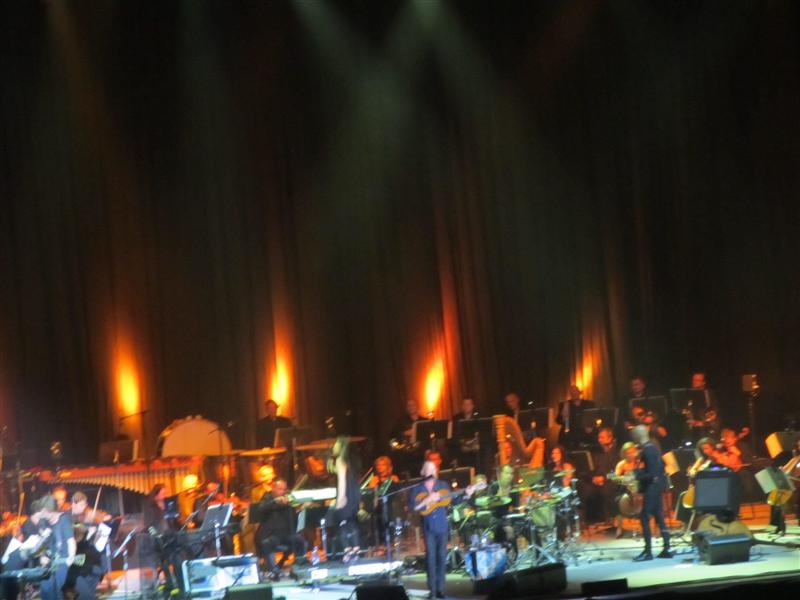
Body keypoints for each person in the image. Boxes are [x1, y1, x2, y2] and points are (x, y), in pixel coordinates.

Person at [630, 426, 672, 561]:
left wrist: (637, 474)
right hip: (657, 486)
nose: (632, 438)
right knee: (659, 516)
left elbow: (652, 475)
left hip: (653, 487)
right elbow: (659, 469)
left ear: (638, 436)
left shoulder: (648, 450)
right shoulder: (652, 448)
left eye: (633, 435)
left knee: (644, 517)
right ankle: (666, 548)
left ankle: (648, 552)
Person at [410, 460, 450, 599]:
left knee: (442, 557)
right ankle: (432, 590)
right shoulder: (417, 489)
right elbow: (413, 507)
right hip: (428, 528)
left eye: (434, 469)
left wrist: (467, 493)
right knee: (431, 558)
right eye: (429, 469)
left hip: (442, 526)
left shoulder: (443, 485)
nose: (433, 472)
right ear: (422, 472)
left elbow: (454, 500)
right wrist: (428, 499)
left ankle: (440, 589)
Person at [255, 478, 306, 579]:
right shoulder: (268, 497)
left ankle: (298, 566)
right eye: (280, 489)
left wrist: (299, 507)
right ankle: (273, 571)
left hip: (286, 534)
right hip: (271, 534)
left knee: (302, 542)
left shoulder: (288, 498)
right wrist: (275, 502)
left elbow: (295, 513)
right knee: (268, 543)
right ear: (273, 488)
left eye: (284, 489)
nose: (282, 491)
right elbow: (261, 508)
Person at [34, 494, 76, 600]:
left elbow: (71, 541)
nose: (42, 514)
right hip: (49, 560)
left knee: (59, 590)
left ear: (50, 510)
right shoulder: (43, 521)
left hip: (63, 559)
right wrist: (42, 556)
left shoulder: (63, 519)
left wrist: (71, 558)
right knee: (45, 588)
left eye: (44, 511)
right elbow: (42, 543)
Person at [327, 436, 361, 560]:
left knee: (341, 523)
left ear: (341, 447)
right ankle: (356, 550)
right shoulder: (348, 460)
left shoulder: (340, 460)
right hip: (354, 493)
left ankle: (347, 551)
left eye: (336, 444)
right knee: (351, 523)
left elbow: (341, 480)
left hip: (346, 493)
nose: (333, 446)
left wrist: (341, 498)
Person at [584, 427, 618, 525]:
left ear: (610, 438)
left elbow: (617, 472)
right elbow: (592, 469)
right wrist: (593, 478)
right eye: (599, 438)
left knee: (606, 489)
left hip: (611, 480)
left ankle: (610, 518)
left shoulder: (617, 453)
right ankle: (589, 520)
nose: (599, 440)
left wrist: (604, 478)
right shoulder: (597, 453)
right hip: (597, 480)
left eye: (602, 437)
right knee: (585, 488)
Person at [556, 385, 596, 450]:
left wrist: (591, 426)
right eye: (571, 392)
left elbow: (594, 417)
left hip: (585, 436)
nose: (574, 393)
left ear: (580, 392)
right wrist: (562, 415)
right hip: (569, 437)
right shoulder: (565, 404)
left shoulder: (589, 404)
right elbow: (558, 421)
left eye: (575, 391)